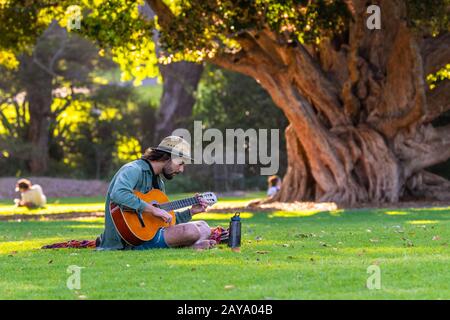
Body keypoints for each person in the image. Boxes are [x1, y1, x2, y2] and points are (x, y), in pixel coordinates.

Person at [97, 136, 216, 251]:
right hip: (130, 240)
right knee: (192, 231)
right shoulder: (133, 169)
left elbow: (165, 220)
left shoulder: (159, 183)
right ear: (167, 157)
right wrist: (153, 209)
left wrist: (191, 212)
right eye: (180, 163)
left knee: (204, 227)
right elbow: (118, 193)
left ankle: (188, 246)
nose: (181, 170)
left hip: (151, 235)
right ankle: (188, 245)